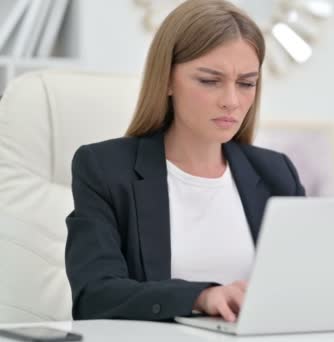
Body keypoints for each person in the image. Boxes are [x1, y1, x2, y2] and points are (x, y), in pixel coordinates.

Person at [65, 0, 305, 322]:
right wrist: (201, 296)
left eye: (246, 83)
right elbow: (94, 296)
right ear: (165, 79)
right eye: (209, 80)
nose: (231, 101)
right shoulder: (104, 168)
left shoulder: (277, 173)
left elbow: (305, 286)